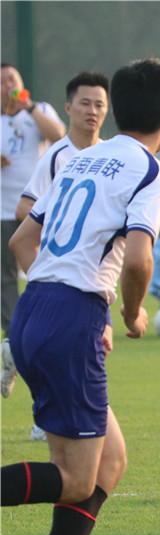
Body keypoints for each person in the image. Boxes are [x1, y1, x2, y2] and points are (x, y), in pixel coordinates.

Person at [0, 57, 160, 535]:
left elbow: (21, 244)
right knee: (76, 479)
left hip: (34, 310)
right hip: (70, 319)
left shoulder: (79, 159)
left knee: (109, 462)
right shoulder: (151, 171)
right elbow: (139, 261)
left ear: (115, 109)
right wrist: (129, 315)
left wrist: (64, 294)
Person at [3, 71, 110, 441]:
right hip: (62, 269)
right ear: (68, 107)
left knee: (90, 345)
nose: (92, 111)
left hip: (97, 269)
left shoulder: (112, 157)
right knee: (71, 345)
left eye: (99, 104)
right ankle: (48, 419)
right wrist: (61, 224)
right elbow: (24, 208)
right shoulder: (58, 157)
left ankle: (13, 352)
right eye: (84, 103)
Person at [2, 63, 65, 337]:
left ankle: (48, 322)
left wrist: (28, 107)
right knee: (5, 276)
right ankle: (14, 330)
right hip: (4, 209)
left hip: (39, 207)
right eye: (2, 82)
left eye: (12, 79)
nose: (9, 86)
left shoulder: (40, 110)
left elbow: (58, 135)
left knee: (44, 268)